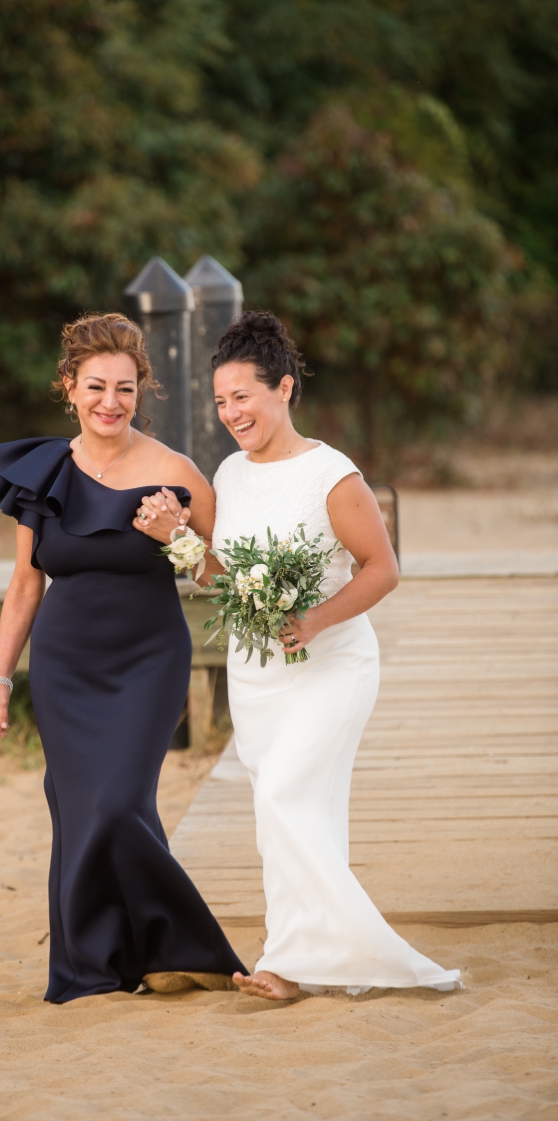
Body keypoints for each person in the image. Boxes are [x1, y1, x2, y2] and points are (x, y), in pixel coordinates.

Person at [177, 309, 461, 1000]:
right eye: (220, 402)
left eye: (242, 395)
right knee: (290, 812)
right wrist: (178, 539)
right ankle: (293, 959)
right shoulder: (230, 473)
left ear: (283, 389)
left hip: (332, 667)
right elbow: (222, 573)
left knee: (284, 796)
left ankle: (314, 957)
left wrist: (314, 617)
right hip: (257, 676)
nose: (231, 413)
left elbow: (382, 567)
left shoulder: (332, 475)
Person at [0, 312, 246, 1002]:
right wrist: (1, 673)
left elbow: (227, 573)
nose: (110, 401)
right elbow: (25, 581)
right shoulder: (43, 473)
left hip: (148, 658)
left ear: (141, 391)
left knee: (119, 802)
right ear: (69, 386)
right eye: (95, 385)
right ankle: (102, 963)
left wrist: (177, 537)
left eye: (125, 388)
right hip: (65, 662)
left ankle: (182, 944)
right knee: (78, 807)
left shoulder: (176, 472)